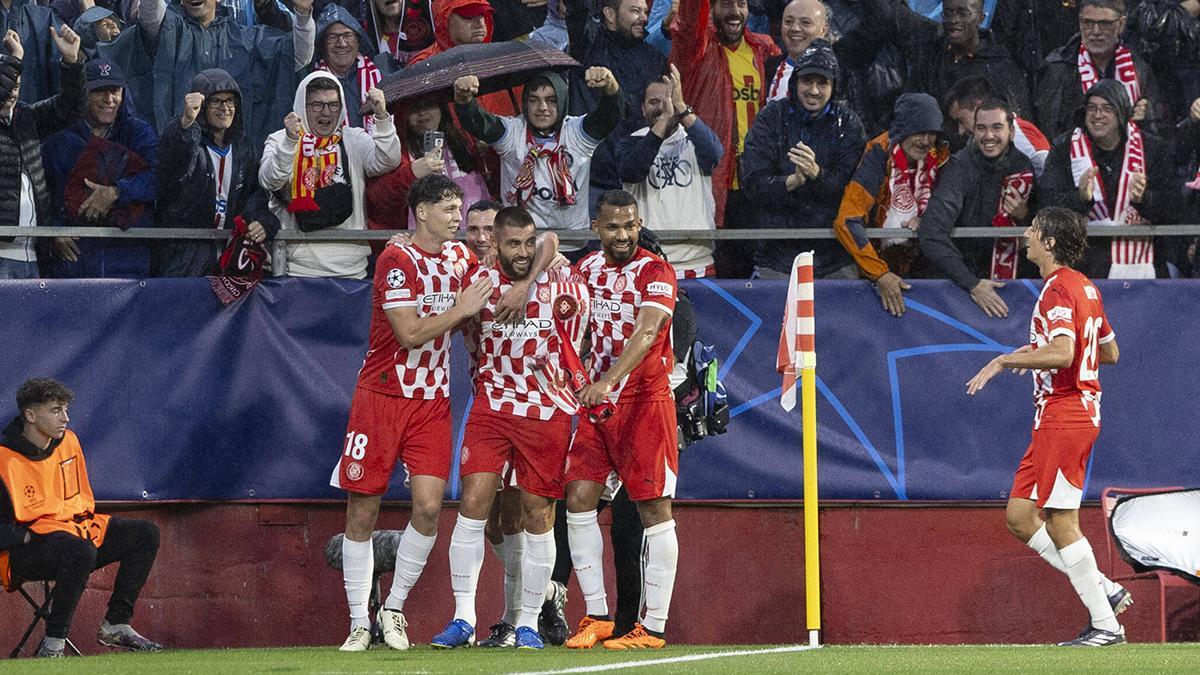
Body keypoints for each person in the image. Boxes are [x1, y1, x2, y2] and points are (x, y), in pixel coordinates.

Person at [329, 174, 491, 652]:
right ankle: (359, 621)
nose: (458, 218)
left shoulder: (460, 257)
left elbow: (495, 277)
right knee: (364, 506)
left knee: (428, 507)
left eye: (458, 209)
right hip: (381, 396)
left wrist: (551, 257)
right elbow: (410, 334)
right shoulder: (396, 260)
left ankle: (393, 608)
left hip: (432, 401)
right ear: (422, 212)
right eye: (449, 209)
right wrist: (462, 309)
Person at [966, 206, 1132, 648]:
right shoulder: (1085, 287)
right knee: (1020, 517)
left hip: (1066, 413)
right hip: (1061, 416)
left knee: (1060, 519)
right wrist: (1035, 352)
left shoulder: (1057, 289)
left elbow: (1063, 353)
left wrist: (1007, 359)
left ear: (1050, 242)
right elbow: (1109, 352)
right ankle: (1104, 588)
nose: (1026, 234)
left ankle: (1106, 626)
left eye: (1034, 229)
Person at [428, 206, 582, 651]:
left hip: (545, 410)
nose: (523, 251)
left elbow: (552, 243)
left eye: (528, 243)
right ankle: (463, 618)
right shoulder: (478, 285)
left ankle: (528, 622)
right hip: (492, 407)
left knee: (537, 514)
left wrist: (526, 284)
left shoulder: (559, 280)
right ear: (494, 244)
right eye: (513, 243)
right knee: (473, 504)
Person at [563, 190, 679, 650]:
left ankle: (653, 628)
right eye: (613, 226)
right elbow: (570, 325)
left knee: (654, 511)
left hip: (644, 402)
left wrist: (608, 380)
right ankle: (597, 615)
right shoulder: (585, 270)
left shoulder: (656, 271)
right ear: (596, 227)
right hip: (597, 407)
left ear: (639, 223)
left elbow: (648, 331)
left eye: (630, 225)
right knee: (578, 498)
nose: (623, 235)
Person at [0, 378, 163, 658]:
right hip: (24, 552)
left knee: (145, 533)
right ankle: (53, 644)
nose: (65, 418)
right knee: (80, 551)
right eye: (55, 410)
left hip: (76, 533)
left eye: (65, 409)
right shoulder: (4, 459)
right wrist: (22, 536)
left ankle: (116, 623)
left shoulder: (69, 441)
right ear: (30, 415)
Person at [453, 68, 623, 257]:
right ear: (525, 104)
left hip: (571, 246)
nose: (542, 107)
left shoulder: (577, 133)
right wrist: (464, 99)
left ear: (563, 101)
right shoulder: (512, 132)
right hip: (520, 246)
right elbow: (477, 121)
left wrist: (610, 86)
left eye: (551, 100)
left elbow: (610, 114)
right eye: (534, 100)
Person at [741, 39, 866, 278]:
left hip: (835, 256)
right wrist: (792, 182)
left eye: (823, 82)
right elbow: (752, 184)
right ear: (795, 81)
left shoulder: (849, 124)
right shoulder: (771, 118)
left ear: (834, 86)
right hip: (776, 256)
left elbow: (854, 191)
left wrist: (817, 175)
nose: (814, 90)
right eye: (807, 81)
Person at [672, 0, 780, 276]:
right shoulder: (697, 49)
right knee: (717, 267)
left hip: (753, 179)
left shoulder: (762, 49)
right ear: (710, 9)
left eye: (741, 3)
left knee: (754, 269)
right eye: (725, 4)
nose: (734, 11)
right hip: (710, 177)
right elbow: (689, 21)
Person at [259, 71, 400, 279]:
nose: (326, 113)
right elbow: (269, 180)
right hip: (295, 270)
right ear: (302, 106)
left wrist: (381, 116)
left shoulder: (353, 138)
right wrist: (290, 142)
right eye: (317, 105)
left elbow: (388, 160)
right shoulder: (281, 140)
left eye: (333, 105)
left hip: (351, 269)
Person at [1039, 80, 1174, 279]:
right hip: (1083, 266)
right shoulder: (1064, 147)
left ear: (1122, 113)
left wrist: (1144, 199)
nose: (1097, 115)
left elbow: (1173, 208)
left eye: (1107, 108)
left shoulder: (1152, 148)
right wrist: (1080, 199)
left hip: (1143, 267)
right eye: (1091, 108)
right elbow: (1046, 208)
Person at [831, 92, 950, 317]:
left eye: (932, 133)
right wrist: (880, 274)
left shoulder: (942, 157)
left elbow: (952, 207)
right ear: (902, 129)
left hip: (924, 267)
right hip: (876, 270)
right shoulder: (878, 154)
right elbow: (847, 220)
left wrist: (929, 218)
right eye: (919, 132)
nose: (926, 141)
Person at [135, 0, 317, 144]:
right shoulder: (170, 31)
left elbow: (297, 56)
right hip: (182, 150)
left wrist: (302, 15)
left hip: (233, 155)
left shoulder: (246, 38)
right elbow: (150, 16)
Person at [155, 68, 279, 277]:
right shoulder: (187, 138)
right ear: (202, 106)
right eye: (216, 101)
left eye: (230, 101)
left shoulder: (243, 148)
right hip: (184, 257)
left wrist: (263, 222)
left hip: (230, 256)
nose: (225, 108)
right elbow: (173, 172)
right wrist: (186, 123)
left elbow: (254, 197)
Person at [918, 97, 1034, 319]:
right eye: (981, 128)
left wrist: (1024, 214)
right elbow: (931, 232)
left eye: (996, 127)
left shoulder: (1024, 165)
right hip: (962, 288)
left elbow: (1045, 225)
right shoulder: (959, 167)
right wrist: (972, 284)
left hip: (1013, 289)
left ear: (1011, 132)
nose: (988, 136)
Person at [41, 59, 157, 279]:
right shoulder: (59, 138)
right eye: (99, 90)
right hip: (74, 261)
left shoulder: (138, 133)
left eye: (115, 90)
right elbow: (38, 190)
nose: (109, 99)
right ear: (83, 93)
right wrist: (51, 230)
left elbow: (159, 178)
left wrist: (116, 192)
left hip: (129, 259)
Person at [618, 65, 723, 278]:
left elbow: (715, 154)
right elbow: (632, 171)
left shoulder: (694, 138)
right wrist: (664, 119)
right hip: (649, 264)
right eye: (653, 102)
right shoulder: (631, 142)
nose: (662, 107)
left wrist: (680, 107)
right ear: (643, 109)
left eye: (668, 100)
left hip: (698, 262)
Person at [0, 27, 85, 281]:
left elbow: (72, 108)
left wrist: (71, 62)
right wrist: (16, 57)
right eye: (8, 85)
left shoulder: (27, 117)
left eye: (17, 85)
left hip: (33, 255)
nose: (12, 92)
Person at [1034, 0, 1163, 142]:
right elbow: (1048, 130)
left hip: (1126, 152)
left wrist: (1148, 117)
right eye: (1088, 23)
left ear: (1121, 24)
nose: (1095, 32)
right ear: (1079, 22)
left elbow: (1160, 132)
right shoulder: (1058, 67)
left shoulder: (1138, 68)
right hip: (1073, 152)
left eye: (1105, 24)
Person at [365, 94, 490, 231]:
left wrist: (488, 153)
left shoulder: (467, 141)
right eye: (414, 107)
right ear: (404, 113)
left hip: (475, 236)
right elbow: (376, 200)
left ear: (441, 107)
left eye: (429, 105)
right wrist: (412, 173)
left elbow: (494, 181)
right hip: (418, 238)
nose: (422, 112)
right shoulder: (394, 151)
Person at [566, 0, 666, 116]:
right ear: (610, 14)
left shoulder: (654, 57)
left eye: (645, 12)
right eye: (635, 11)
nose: (644, 18)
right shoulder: (588, 46)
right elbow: (578, 11)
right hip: (596, 126)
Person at [308, 4, 393, 130]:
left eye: (347, 35)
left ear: (358, 41)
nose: (341, 44)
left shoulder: (379, 75)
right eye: (333, 37)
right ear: (323, 44)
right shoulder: (312, 82)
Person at [943, 75, 1050, 174]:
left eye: (961, 121)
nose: (960, 130)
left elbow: (1047, 177)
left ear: (978, 106)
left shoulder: (1023, 137)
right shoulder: (972, 144)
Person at [763, 0, 829, 103]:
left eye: (805, 23)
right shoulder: (768, 68)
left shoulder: (839, 73)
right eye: (788, 22)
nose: (795, 28)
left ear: (823, 30)